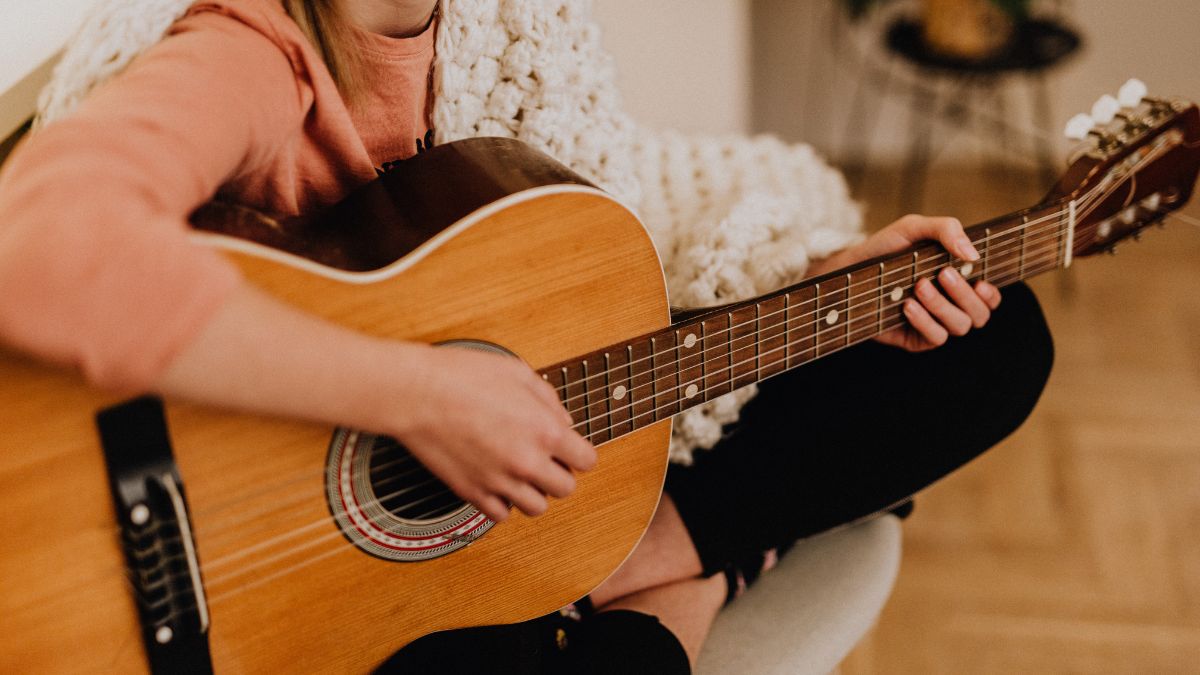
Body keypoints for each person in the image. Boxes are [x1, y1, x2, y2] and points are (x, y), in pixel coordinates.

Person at [0, 0, 1053, 672]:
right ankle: (689, 587)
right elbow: (40, 248)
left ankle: (644, 556)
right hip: (254, 571)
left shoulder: (513, 25)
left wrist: (819, 278)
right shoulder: (248, 47)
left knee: (991, 340)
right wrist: (414, 398)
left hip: (490, 462)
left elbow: (611, 254)